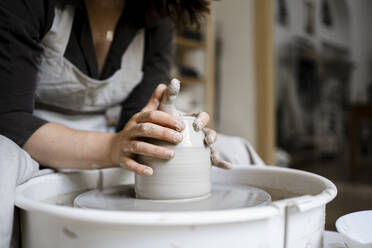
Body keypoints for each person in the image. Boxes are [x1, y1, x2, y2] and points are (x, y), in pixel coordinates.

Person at [0, 1, 229, 247]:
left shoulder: (157, 17)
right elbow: (9, 118)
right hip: (32, 144)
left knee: (228, 149)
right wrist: (111, 148)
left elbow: (139, 116)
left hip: (113, 138)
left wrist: (173, 126)